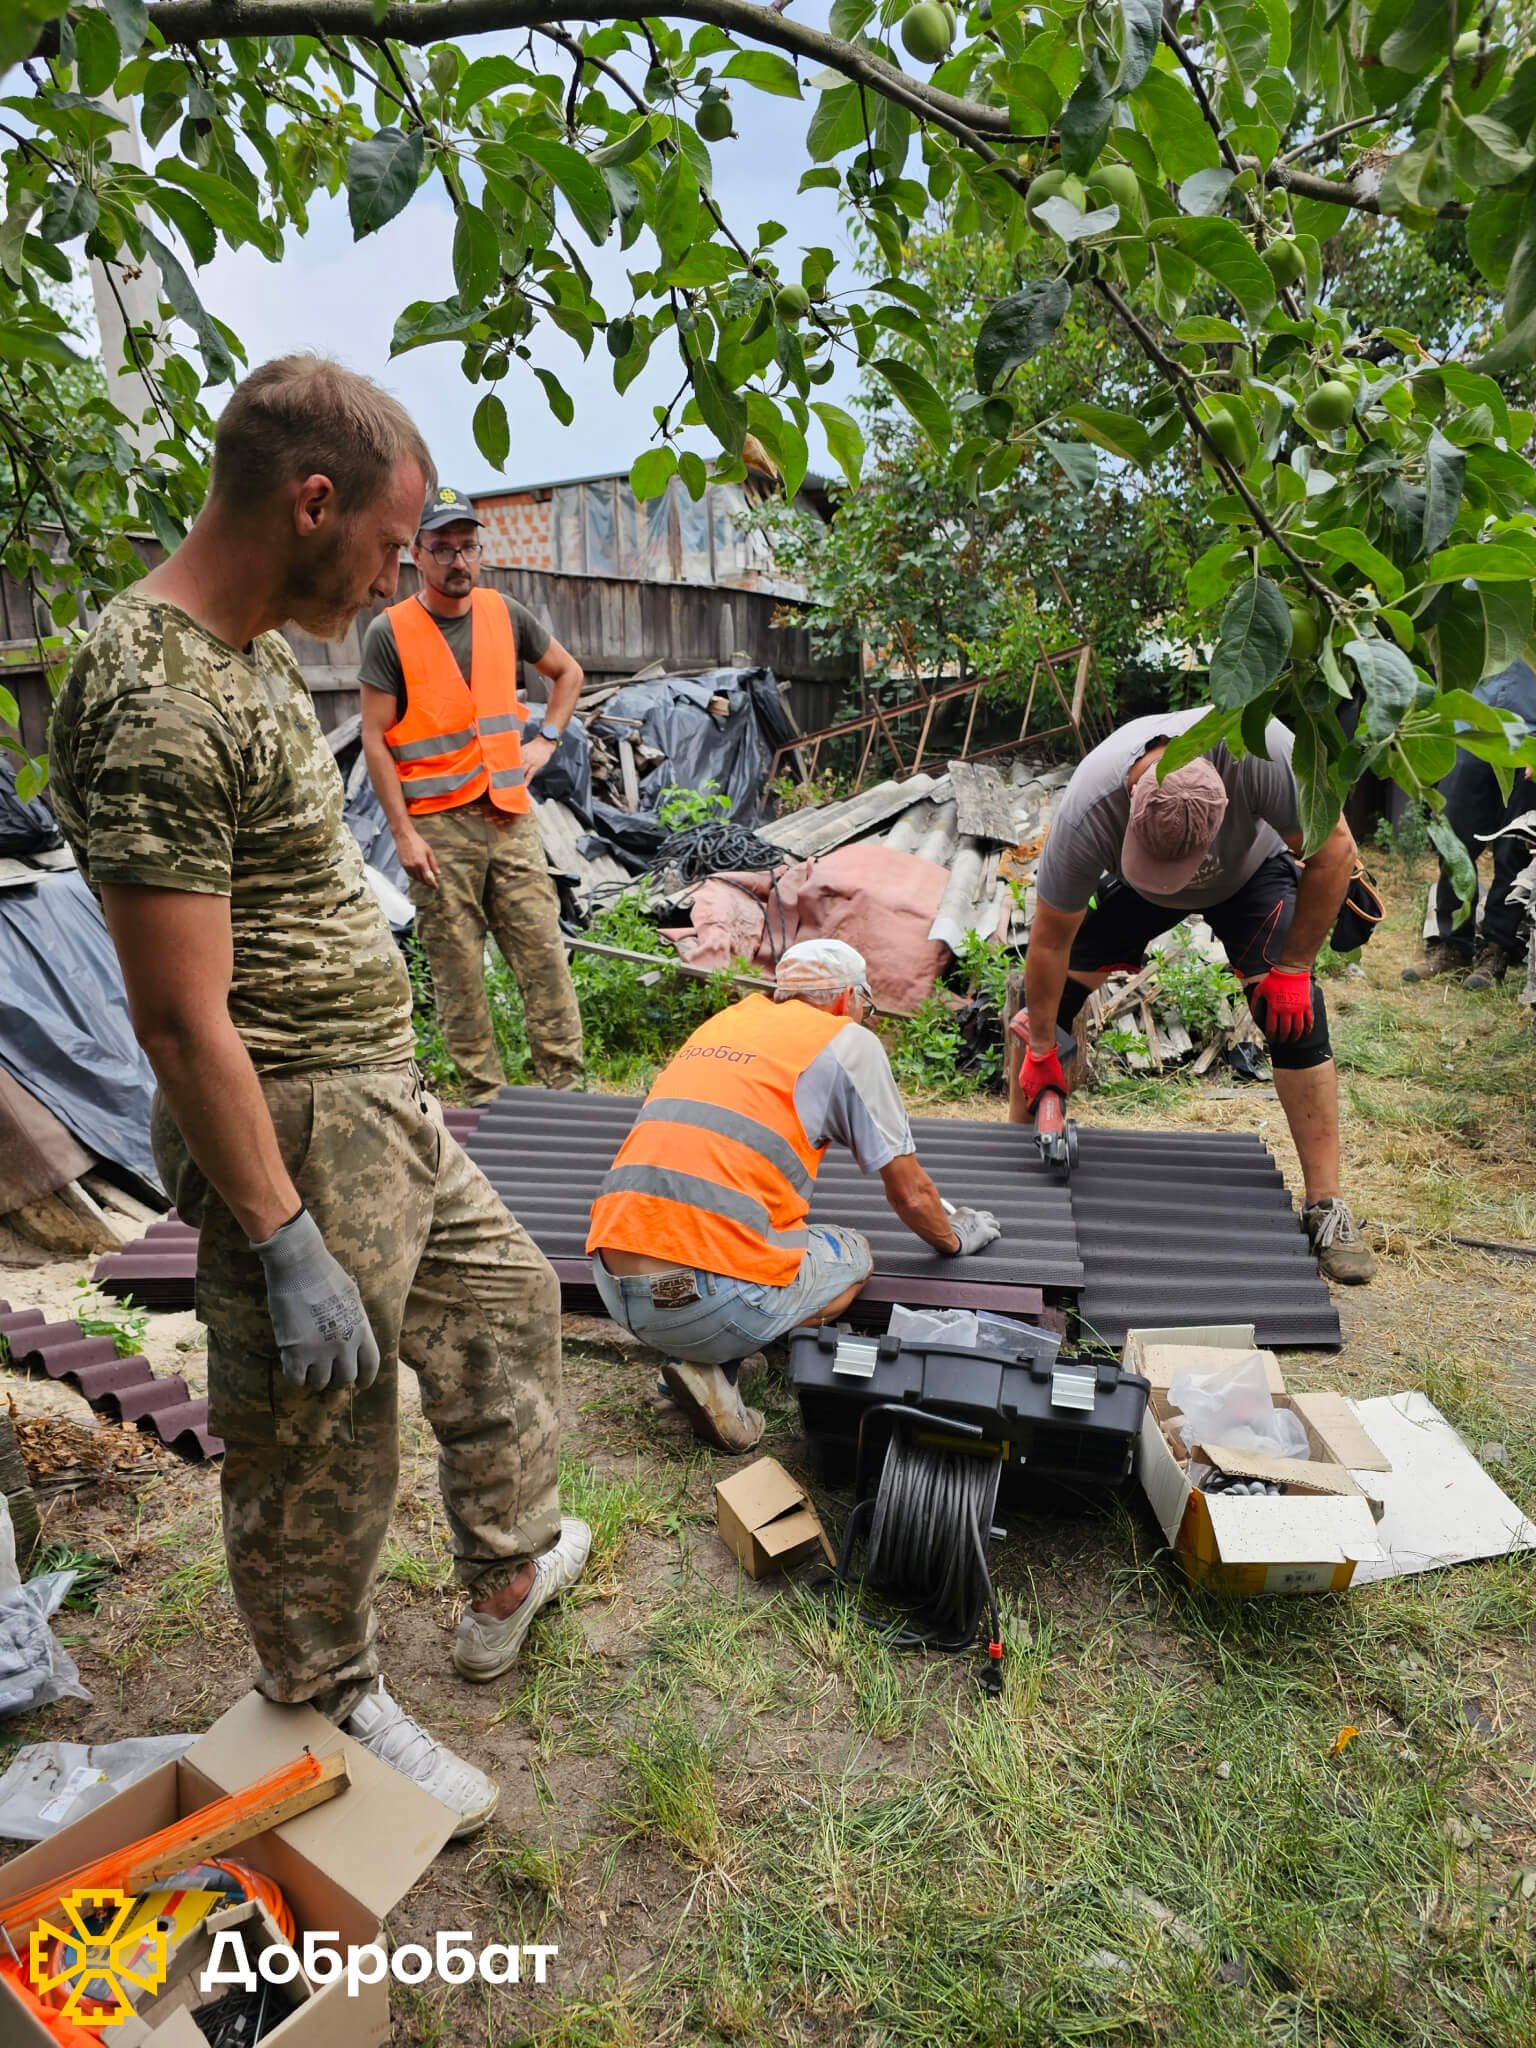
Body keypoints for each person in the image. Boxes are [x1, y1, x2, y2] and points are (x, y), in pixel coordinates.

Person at [47, 358, 590, 1839]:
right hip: (288, 1119)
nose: (398, 577)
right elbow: (174, 1013)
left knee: (504, 1305)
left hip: (375, 1099)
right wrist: (283, 1241)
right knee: (319, 1439)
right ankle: (326, 1686)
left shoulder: (245, 656)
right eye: (389, 545)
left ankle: (502, 1569)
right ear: (311, 500)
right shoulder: (148, 685)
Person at [586, 939, 1002, 1451]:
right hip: (708, 1304)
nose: (864, 1019)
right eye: (866, 1008)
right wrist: (956, 1238)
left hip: (613, 1288)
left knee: (769, 1237)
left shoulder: (724, 1023)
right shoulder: (847, 1041)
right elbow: (912, 1196)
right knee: (852, 1254)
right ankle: (715, 1362)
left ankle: (704, 1352)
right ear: (850, 998)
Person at [1017, 706, 1376, 1286]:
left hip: (1249, 873)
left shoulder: (1266, 752)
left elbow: (1334, 851)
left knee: (1295, 1015)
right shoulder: (1089, 809)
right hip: (1135, 888)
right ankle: (1021, 1165)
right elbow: (1050, 943)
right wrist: (1039, 1046)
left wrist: (1293, 967)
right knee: (1044, 1009)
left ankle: (1327, 1205)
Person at [359, 485, 585, 1100]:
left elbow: (568, 674)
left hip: (510, 816)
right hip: (436, 828)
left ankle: (563, 1089)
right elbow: (375, 739)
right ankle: (486, 1097)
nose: (459, 560)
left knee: (543, 956)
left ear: (479, 553)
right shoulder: (391, 632)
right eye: (444, 548)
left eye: (468, 547)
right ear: (420, 556)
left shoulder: (504, 613)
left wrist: (546, 741)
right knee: (458, 972)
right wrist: (402, 833)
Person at [1402, 659, 1536, 991]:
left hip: (1529, 734)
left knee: (1513, 849)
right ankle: (1452, 945)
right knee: (1454, 838)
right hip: (1469, 729)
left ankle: (1497, 949)